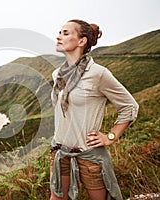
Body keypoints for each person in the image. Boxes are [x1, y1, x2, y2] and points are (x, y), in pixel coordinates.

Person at [49, 19, 139, 200]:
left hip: (89, 154)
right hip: (60, 152)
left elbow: (129, 106)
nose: (59, 36)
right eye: (59, 32)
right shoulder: (58, 74)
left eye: (66, 33)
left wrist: (110, 136)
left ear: (81, 41)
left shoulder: (98, 73)